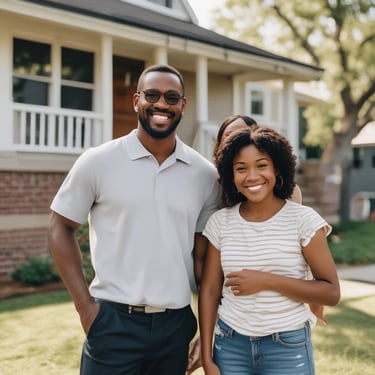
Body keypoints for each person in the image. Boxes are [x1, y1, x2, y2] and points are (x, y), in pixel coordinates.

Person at [48, 64, 219, 375]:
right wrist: (86, 309)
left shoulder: (205, 175)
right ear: (137, 100)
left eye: (171, 97)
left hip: (174, 325)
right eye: (152, 95)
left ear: (183, 105)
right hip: (112, 322)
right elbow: (60, 226)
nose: (161, 104)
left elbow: (205, 259)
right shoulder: (98, 161)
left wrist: (208, 331)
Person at [198, 125, 340, 375]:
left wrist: (265, 280)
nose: (252, 176)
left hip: (287, 346)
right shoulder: (220, 222)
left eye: (262, 165)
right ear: (231, 175)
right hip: (230, 345)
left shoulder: (304, 221)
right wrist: (208, 357)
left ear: (277, 169)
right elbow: (209, 291)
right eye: (241, 168)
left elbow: (330, 292)